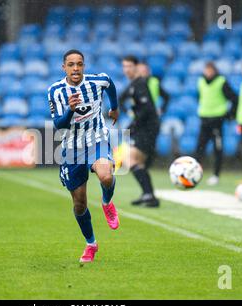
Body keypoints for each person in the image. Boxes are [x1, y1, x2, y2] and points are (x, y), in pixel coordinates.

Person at [48, 50, 119, 263]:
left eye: (79, 64)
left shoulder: (97, 81)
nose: (76, 68)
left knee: (106, 176)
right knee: (79, 204)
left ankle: (107, 202)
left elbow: (110, 84)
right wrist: (70, 110)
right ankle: (91, 244)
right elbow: (58, 125)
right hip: (71, 148)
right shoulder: (55, 91)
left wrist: (114, 108)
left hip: (96, 139)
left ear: (84, 66)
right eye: (71, 65)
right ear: (64, 68)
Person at [119, 56, 161, 207]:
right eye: (124, 66)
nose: (126, 69)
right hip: (143, 127)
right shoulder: (134, 84)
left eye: (129, 66)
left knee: (130, 159)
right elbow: (120, 99)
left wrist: (132, 124)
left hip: (147, 127)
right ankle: (148, 195)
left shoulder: (140, 84)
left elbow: (147, 109)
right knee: (138, 162)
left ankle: (149, 195)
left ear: (136, 67)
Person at [195, 62, 238, 186]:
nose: (207, 73)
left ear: (214, 70)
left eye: (210, 70)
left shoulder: (221, 82)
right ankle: (195, 173)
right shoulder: (200, 82)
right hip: (204, 119)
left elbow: (234, 98)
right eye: (206, 70)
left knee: (217, 149)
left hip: (217, 121)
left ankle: (216, 175)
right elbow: (201, 97)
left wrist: (229, 115)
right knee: (199, 148)